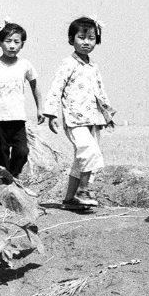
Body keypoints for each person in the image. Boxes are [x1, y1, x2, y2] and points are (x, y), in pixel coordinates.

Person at [43, 17, 115, 210]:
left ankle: (69, 200)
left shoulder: (93, 67)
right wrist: (51, 114)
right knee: (90, 152)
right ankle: (83, 191)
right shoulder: (68, 64)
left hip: (93, 120)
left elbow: (100, 92)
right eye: (81, 37)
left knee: (80, 160)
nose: (86, 42)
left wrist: (107, 114)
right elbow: (56, 88)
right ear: (71, 39)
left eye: (91, 38)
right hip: (74, 121)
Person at [0, 21, 42, 178]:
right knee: (0, 156)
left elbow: (35, 85)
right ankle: (3, 184)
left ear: (22, 44)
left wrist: (40, 108)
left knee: (22, 152)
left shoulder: (25, 65)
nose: (12, 46)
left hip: (18, 118)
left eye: (16, 42)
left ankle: (12, 178)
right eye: (8, 41)